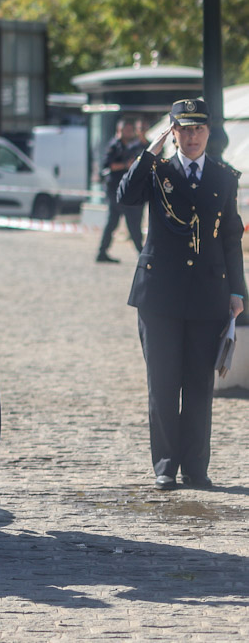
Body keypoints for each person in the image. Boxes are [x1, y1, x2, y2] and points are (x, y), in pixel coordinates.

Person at [118, 98, 245, 491]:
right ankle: (166, 465)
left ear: (209, 132)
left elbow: (230, 237)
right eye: (184, 130)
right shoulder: (157, 171)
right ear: (172, 133)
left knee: (199, 385)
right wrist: (149, 152)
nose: (192, 137)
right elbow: (126, 196)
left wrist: (238, 291)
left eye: (198, 129)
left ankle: (196, 467)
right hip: (160, 296)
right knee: (163, 382)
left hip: (208, 293)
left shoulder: (224, 176)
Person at [96, 117, 145, 262]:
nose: (130, 133)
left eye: (131, 130)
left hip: (125, 190)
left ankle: (102, 252)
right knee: (132, 222)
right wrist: (125, 165)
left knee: (115, 222)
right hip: (115, 190)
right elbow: (108, 166)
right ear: (120, 130)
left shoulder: (130, 146)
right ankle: (141, 253)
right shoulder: (114, 146)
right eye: (127, 130)